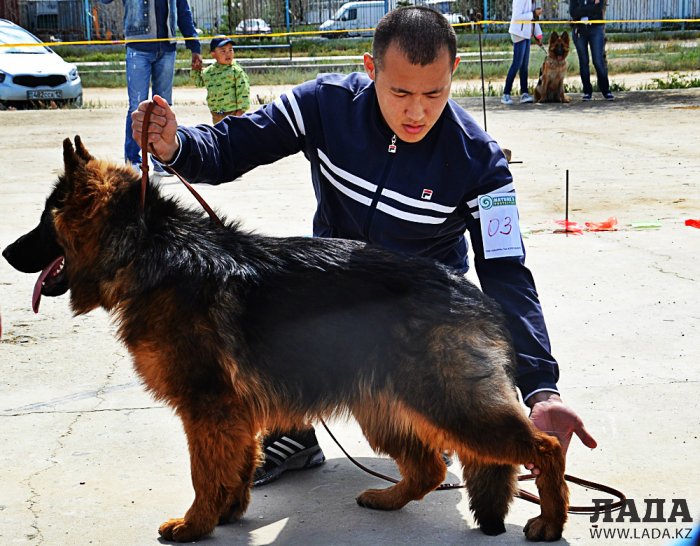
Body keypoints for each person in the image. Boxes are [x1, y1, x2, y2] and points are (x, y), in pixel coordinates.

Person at [132, 6, 597, 487]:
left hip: (419, 319)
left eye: (434, 93)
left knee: (433, 416)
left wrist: (542, 387)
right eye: (400, 92)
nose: (416, 112)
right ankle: (292, 433)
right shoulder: (325, 104)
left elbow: (507, 272)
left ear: (453, 72)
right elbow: (236, 144)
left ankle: (429, 428)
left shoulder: (483, 164)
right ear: (370, 68)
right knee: (262, 300)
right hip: (333, 292)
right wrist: (175, 146)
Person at [101, 0, 202, 174]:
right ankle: (133, 159)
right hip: (138, 47)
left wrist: (194, 45)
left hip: (167, 48)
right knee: (136, 106)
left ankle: (160, 159)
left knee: (162, 106)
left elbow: (183, 11)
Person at [193, 35, 250, 124]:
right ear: (213, 54)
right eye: (223, 51)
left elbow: (243, 90)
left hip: (233, 113)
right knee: (220, 135)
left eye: (230, 50)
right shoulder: (209, 72)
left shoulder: (236, 71)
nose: (228, 54)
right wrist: (195, 70)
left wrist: (241, 110)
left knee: (233, 136)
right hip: (216, 113)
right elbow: (199, 83)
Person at [570, 0, 614, 101]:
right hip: (579, 29)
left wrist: (583, 11)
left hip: (596, 28)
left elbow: (599, 8)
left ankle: (606, 90)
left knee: (598, 61)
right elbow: (573, 12)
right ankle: (587, 91)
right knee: (584, 62)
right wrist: (592, 7)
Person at [501, 0, 543, 105]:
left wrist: (538, 34)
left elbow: (532, 19)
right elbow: (517, 16)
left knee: (524, 65)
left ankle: (524, 93)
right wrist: (533, 14)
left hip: (526, 33)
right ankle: (506, 93)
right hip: (518, 33)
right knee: (517, 64)